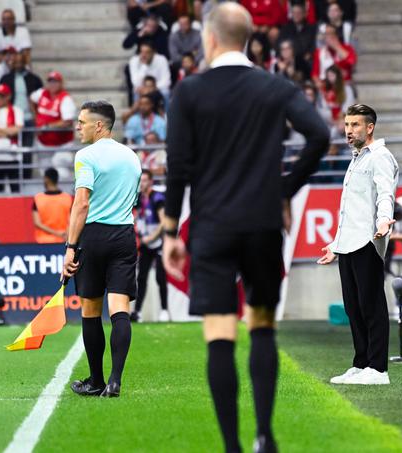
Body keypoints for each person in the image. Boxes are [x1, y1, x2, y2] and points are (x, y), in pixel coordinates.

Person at [161, 4, 329, 452]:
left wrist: (170, 231)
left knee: (220, 333)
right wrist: (284, 191)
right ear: (250, 38)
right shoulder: (274, 86)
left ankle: (232, 446)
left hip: (212, 227)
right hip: (262, 224)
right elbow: (320, 135)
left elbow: (177, 166)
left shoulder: (189, 91)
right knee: (262, 325)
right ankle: (265, 435)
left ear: (209, 39)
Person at [63, 101, 142, 398]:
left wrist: (71, 246)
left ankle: (96, 380)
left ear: (99, 125)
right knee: (120, 308)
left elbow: (81, 203)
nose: (77, 127)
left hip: (93, 236)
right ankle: (115, 380)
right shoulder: (132, 157)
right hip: (124, 234)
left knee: (91, 310)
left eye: (81, 122)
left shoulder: (85, 156)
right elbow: (134, 200)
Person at [317, 103, 398, 385]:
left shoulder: (380, 157)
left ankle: (378, 369)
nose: (348, 130)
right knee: (353, 306)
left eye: (354, 125)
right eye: (347, 125)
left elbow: (385, 194)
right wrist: (334, 244)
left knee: (371, 305)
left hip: (368, 241)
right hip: (348, 243)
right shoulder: (356, 159)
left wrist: (385, 220)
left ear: (369, 127)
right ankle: (362, 363)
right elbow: (349, 211)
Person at [132, 170, 169, 323]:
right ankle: (137, 312)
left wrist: (151, 237)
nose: (143, 183)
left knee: (161, 277)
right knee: (142, 277)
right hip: (146, 243)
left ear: (151, 181)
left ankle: (164, 311)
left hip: (159, 242)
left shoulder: (157, 198)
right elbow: (137, 216)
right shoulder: (139, 198)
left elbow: (163, 221)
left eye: (146, 180)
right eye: (141, 180)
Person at [31, 71, 76, 147]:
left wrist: (46, 127)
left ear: (61, 83)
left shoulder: (65, 98)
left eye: (55, 82)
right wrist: (36, 117)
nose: (52, 84)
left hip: (62, 145)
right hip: (42, 143)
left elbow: (67, 122)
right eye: (50, 81)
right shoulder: (42, 93)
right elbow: (31, 99)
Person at [32, 168, 73, 244]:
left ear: (46, 179)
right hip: (63, 240)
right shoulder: (67, 198)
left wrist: (56, 233)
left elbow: (37, 223)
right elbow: (71, 220)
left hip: (43, 242)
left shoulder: (38, 198)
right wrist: (64, 234)